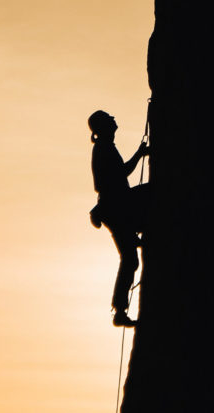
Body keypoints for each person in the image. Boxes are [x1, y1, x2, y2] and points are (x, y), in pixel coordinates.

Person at [87, 110, 151, 327]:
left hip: (115, 207)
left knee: (130, 258)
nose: (114, 120)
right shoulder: (103, 149)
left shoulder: (105, 147)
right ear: (104, 127)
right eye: (110, 119)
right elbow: (121, 173)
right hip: (117, 208)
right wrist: (140, 154)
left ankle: (120, 310)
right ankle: (120, 310)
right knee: (130, 259)